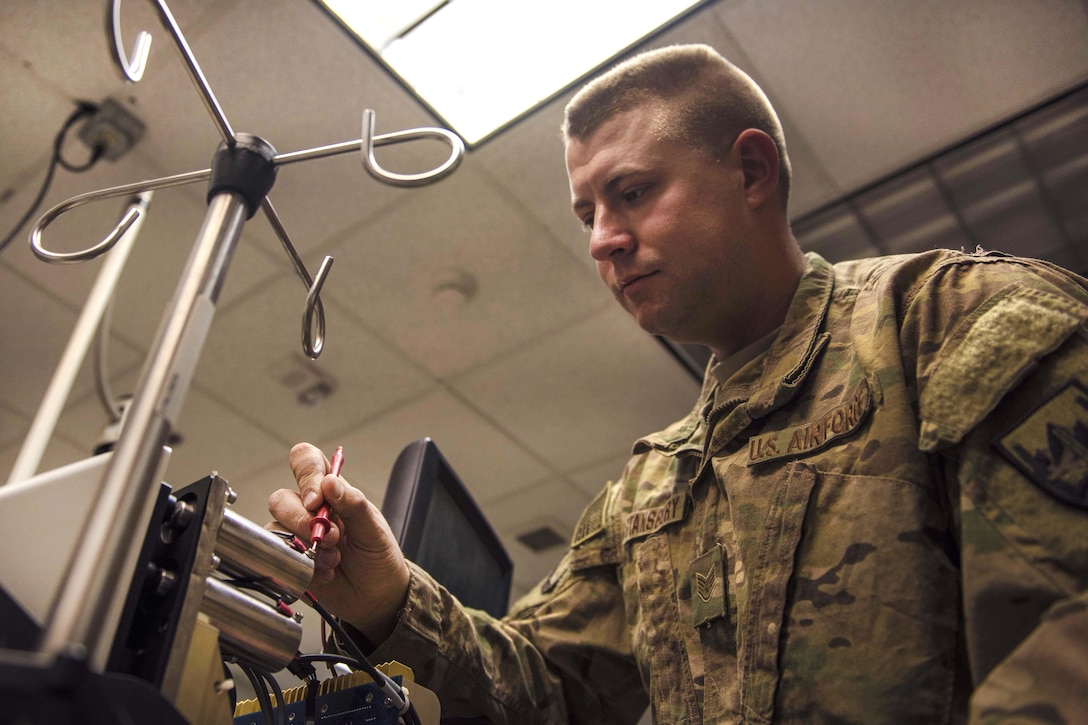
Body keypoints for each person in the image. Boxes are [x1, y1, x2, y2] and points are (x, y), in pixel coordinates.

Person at [269, 44, 1088, 723]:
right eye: (587, 213)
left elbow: (1066, 637)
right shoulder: (650, 485)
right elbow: (549, 688)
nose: (602, 242)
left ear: (752, 171)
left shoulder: (953, 324)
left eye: (631, 193)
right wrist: (387, 598)